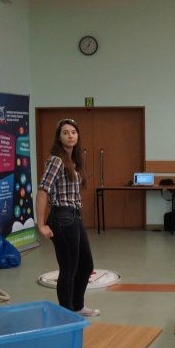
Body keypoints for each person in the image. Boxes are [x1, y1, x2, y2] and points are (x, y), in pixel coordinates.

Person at [36, 119, 99, 317]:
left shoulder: (74, 161)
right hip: (62, 218)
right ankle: (66, 314)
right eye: (65, 132)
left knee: (86, 266)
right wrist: (41, 224)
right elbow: (42, 192)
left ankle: (77, 306)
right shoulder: (56, 160)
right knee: (69, 269)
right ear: (59, 137)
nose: (70, 135)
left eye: (73, 132)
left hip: (74, 217)